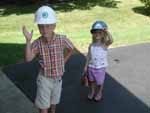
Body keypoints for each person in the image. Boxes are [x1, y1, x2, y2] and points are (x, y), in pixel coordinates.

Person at [22, 6, 74, 113]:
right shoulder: (37, 43)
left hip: (58, 78)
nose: (44, 30)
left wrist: (63, 61)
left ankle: (53, 111)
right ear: (38, 27)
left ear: (54, 26)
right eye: (41, 27)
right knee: (43, 106)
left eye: (48, 26)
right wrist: (28, 41)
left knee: (54, 100)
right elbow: (28, 58)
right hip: (44, 79)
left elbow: (71, 49)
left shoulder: (62, 39)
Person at [84, 20, 113, 102]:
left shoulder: (105, 44)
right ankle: (93, 91)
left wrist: (106, 31)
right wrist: (85, 66)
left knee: (100, 82)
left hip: (100, 68)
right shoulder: (91, 45)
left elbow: (111, 40)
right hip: (91, 67)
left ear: (103, 34)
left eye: (100, 33)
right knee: (92, 81)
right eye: (95, 32)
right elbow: (89, 56)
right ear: (93, 34)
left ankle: (99, 92)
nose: (97, 34)